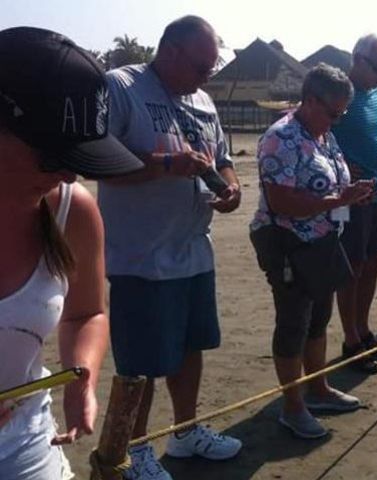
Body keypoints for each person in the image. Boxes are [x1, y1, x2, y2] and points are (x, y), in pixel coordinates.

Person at [98, 16, 242, 479]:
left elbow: (222, 160)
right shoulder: (121, 87)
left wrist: (231, 189)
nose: (207, 77)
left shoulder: (201, 98)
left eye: (212, 69)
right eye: (202, 67)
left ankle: (185, 432)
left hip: (193, 250)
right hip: (141, 255)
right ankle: (134, 450)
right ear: (170, 50)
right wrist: (165, 164)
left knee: (190, 346)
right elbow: (98, 158)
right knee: (140, 362)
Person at [0, 27, 144, 479]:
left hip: (23, 446)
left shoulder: (70, 210)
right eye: (51, 154)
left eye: (78, 159)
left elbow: (85, 313)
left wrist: (79, 375)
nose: (66, 176)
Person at [250, 64, 374, 439]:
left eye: (343, 112)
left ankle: (317, 389)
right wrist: (338, 198)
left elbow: (331, 183)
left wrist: (351, 194)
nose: (337, 119)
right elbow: (283, 201)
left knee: (318, 318)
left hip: (321, 239)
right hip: (287, 241)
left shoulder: (323, 134)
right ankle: (292, 406)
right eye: (333, 112)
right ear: (310, 100)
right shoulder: (281, 137)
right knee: (292, 323)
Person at [332, 34, 377, 375]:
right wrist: (339, 162)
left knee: (373, 264)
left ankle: (365, 327)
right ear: (356, 59)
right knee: (353, 268)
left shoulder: (376, 93)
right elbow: (316, 132)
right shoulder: (340, 93)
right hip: (353, 197)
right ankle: (350, 338)